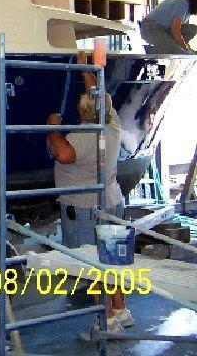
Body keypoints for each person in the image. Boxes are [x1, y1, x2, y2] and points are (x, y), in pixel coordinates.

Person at [46, 51, 134, 339]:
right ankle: (121, 310)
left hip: (85, 211)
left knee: (93, 265)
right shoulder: (112, 124)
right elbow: (99, 96)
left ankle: (106, 321)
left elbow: (62, 154)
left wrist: (52, 129)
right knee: (113, 260)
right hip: (112, 202)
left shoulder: (83, 137)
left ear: (83, 113)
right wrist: (85, 69)